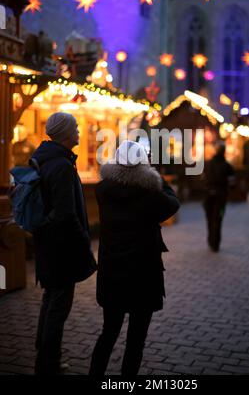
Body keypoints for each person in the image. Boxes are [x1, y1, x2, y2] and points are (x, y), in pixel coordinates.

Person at [89, 140, 180, 378]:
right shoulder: (149, 193)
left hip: (113, 270)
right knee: (136, 340)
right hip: (143, 273)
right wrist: (154, 176)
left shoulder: (103, 190)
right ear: (143, 164)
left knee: (108, 333)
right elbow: (172, 203)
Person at [30, 112, 97, 375]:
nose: (79, 131)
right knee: (58, 308)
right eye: (75, 127)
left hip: (48, 245)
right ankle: (47, 364)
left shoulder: (45, 160)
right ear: (65, 133)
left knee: (50, 300)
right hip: (61, 248)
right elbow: (66, 214)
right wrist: (84, 240)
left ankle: (45, 356)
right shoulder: (61, 166)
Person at [203, 142, 235, 252]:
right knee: (218, 219)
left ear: (215, 151)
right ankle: (215, 243)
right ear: (224, 151)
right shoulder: (228, 166)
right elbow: (232, 183)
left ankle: (210, 240)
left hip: (208, 196)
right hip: (221, 197)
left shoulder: (207, 164)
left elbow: (202, 178)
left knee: (209, 218)